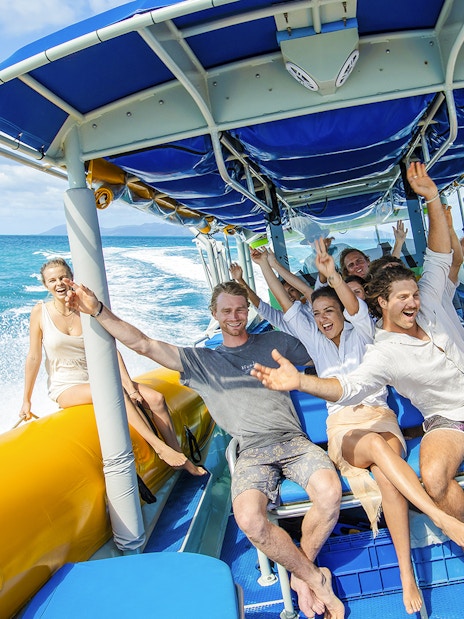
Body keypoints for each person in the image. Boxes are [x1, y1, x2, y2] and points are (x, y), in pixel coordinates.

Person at [64, 277, 345, 619]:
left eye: (240, 309)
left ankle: (303, 578)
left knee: (330, 494)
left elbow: (327, 344)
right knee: (249, 519)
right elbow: (144, 344)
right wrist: (97, 310)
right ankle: (314, 577)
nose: (235, 315)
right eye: (226, 310)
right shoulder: (201, 361)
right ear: (214, 313)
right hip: (252, 453)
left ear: (248, 310)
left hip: (294, 442)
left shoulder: (276, 342)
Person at [252, 162, 464, 536]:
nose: (412, 303)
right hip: (444, 419)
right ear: (381, 303)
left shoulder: (427, 299)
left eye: (413, 294)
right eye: (402, 298)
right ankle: (447, 521)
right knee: (429, 474)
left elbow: (441, 256)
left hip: (385, 419)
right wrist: (300, 381)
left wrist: (432, 197)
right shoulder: (380, 349)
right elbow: (346, 387)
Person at [249, 238, 431, 614]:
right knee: (378, 452)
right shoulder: (315, 343)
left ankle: (405, 575)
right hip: (345, 429)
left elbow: (355, 306)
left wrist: (332, 275)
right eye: (316, 313)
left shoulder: (363, 333)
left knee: (385, 475)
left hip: (381, 419)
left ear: (342, 311)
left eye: (329, 309)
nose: (323, 318)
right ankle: (434, 512)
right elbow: (284, 304)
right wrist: (264, 264)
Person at [19, 257, 205, 476]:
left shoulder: (84, 309)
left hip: (98, 377)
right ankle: (159, 447)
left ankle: (179, 457)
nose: (59, 283)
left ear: (71, 279)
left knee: (156, 399)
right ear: (45, 285)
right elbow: (34, 357)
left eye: (63, 277)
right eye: (52, 280)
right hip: (66, 386)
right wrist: (26, 400)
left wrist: (131, 386)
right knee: (110, 389)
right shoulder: (40, 312)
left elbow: (110, 351)